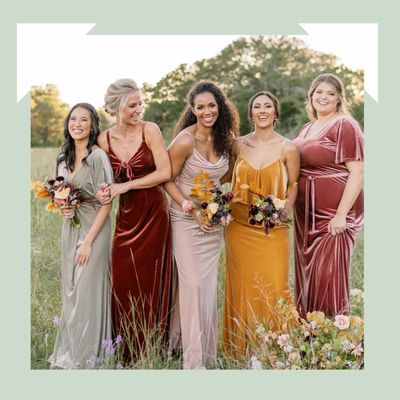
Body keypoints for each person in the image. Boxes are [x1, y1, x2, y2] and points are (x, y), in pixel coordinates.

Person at [96, 79, 173, 363]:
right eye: (133, 105)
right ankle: (125, 348)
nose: (139, 109)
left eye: (141, 103)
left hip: (154, 213)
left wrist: (126, 186)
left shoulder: (149, 131)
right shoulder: (102, 140)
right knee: (124, 281)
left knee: (151, 282)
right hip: (125, 218)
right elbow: (97, 177)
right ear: (116, 108)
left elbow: (164, 172)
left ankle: (153, 349)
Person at [164, 81, 239, 369]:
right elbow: (166, 179)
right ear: (192, 110)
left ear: (219, 106)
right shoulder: (185, 140)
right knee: (194, 283)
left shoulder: (227, 139)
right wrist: (189, 205)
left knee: (205, 289)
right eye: (200, 107)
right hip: (184, 219)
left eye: (211, 105)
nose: (207, 111)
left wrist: (214, 204)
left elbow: (226, 175)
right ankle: (194, 363)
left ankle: (197, 350)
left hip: (212, 222)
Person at [222, 91, 300, 358]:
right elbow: (225, 177)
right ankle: (241, 350)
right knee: (243, 285)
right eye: (257, 106)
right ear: (251, 113)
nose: (263, 110)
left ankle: (278, 350)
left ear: (276, 113)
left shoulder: (288, 147)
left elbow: (294, 186)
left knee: (276, 285)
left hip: (273, 228)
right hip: (239, 228)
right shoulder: (238, 145)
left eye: (268, 106)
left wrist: (284, 210)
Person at [48, 103, 113, 369]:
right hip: (70, 227)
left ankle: (91, 355)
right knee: (71, 290)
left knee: (88, 289)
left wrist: (88, 242)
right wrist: (63, 207)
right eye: (73, 119)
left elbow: (107, 204)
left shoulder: (98, 157)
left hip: (94, 230)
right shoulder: (62, 158)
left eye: (83, 120)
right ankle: (73, 349)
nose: (77, 124)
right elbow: (58, 193)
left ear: (92, 125)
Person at [293, 73, 364, 317]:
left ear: (338, 99)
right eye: (319, 92)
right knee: (308, 274)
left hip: (333, 215)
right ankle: (308, 336)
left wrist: (341, 214)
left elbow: (358, 171)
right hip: (305, 216)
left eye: (330, 93)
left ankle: (334, 340)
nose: (323, 97)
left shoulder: (345, 124)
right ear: (311, 96)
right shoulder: (306, 128)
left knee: (328, 275)